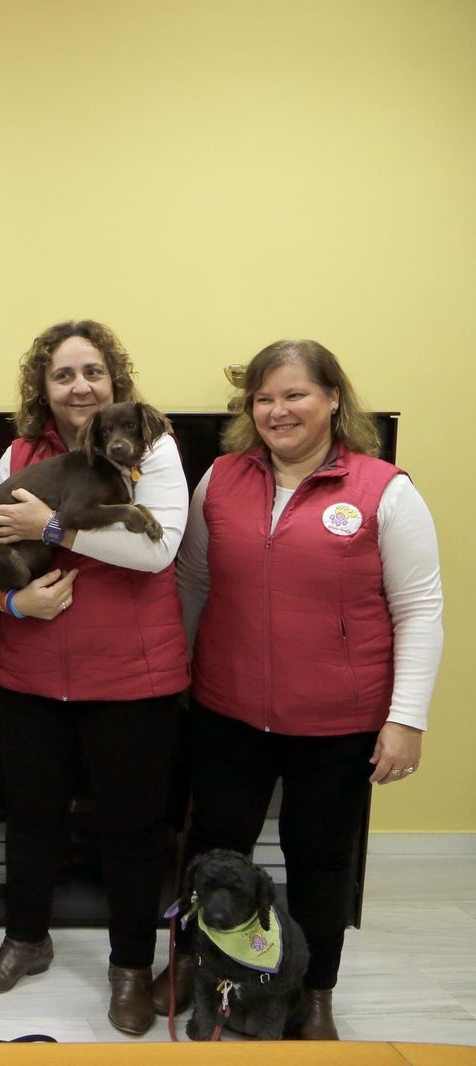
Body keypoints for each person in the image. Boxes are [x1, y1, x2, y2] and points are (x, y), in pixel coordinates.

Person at [163, 339, 443, 1039]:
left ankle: (315, 991)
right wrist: (176, 681)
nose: (277, 410)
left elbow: (420, 609)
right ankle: (206, 969)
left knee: (319, 860)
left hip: (337, 723)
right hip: (227, 711)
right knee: (215, 851)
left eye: (295, 395)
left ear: (333, 399)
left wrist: (405, 719)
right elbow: (191, 583)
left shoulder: (384, 490)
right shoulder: (220, 480)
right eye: (264, 398)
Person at [0, 320, 189, 1034]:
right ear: (44, 390)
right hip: (32, 674)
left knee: (132, 830)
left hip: (132, 679)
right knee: (29, 821)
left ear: (114, 383)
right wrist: (8, 600)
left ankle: (129, 969)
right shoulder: (20, 454)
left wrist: (52, 529)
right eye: (63, 375)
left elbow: (158, 549)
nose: (79, 385)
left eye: (92, 372)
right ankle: (26, 939)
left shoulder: (155, 450)